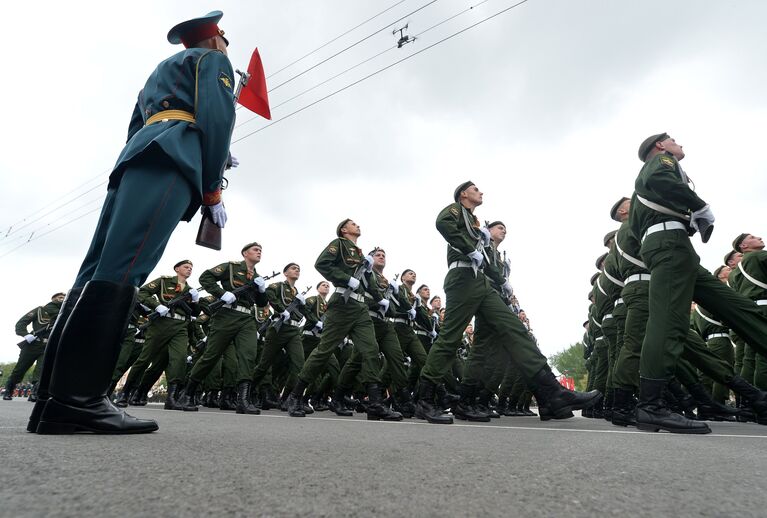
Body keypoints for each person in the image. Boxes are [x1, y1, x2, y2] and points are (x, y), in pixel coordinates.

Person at [29, 11, 236, 434]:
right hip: (173, 160)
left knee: (95, 271)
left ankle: (53, 397)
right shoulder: (214, 62)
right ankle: (79, 401)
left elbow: (134, 128)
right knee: (126, 270)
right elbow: (218, 119)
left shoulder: (159, 73)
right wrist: (212, 184)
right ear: (217, 40)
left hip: (137, 161)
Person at [414, 181, 600, 424]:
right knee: (450, 337)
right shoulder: (456, 211)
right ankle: (424, 398)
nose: (480, 192)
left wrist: (502, 280)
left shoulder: (474, 222)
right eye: (475, 189)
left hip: (481, 282)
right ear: (463, 194)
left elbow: (485, 259)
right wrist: (470, 248)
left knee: (515, 330)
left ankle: (552, 393)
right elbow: (443, 224)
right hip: (462, 278)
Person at [285, 219, 402, 421]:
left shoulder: (361, 255)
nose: (358, 226)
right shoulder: (338, 244)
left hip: (361, 307)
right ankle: (295, 396)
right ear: (344, 229)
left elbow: (369, 282)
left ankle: (375, 403)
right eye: (353, 224)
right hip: (341, 302)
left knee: (371, 350)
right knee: (324, 351)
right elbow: (321, 264)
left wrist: (380, 298)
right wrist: (346, 278)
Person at [177, 243, 269, 414]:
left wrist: (262, 290)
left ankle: (243, 399)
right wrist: (222, 293)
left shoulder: (257, 278)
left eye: (260, 251)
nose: (259, 252)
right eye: (255, 250)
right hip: (226, 315)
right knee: (211, 356)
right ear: (245, 253)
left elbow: (262, 304)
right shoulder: (231, 267)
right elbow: (206, 277)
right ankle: (188, 393)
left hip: (247, 318)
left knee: (248, 356)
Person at [119, 260, 200, 410]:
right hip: (161, 324)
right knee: (145, 359)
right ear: (177, 269)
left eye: (191, 268)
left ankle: (172, 398)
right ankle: (125, 393)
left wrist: (195, 301)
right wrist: (156, 305)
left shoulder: (191, 290)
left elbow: (195, 313)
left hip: (181, 326)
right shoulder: (164, 281)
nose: (189, 270)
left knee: (179, 359)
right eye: (186, 267)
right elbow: (142, 292)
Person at [5, 294, 65, 401]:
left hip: (49, 345)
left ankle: (34, 393)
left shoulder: (64, 313)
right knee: (20, 369)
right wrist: (25, 334)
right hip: (33, 344)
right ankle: (9, 390)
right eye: (60, 297)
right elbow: (21, 323)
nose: (63, 298)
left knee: (41, 370)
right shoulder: (40, 310)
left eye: (64, 297)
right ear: (53, 299)